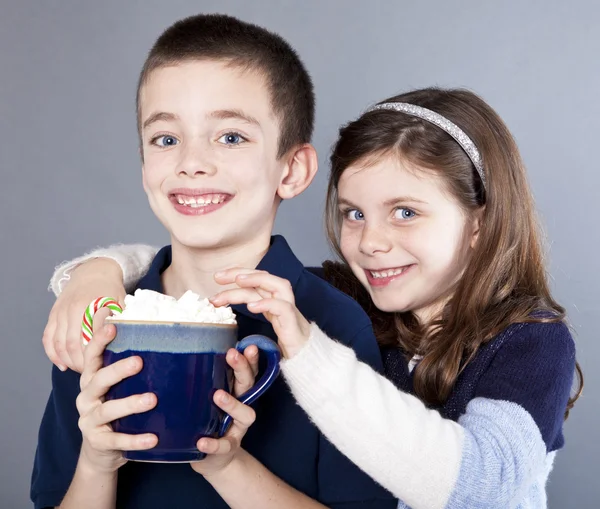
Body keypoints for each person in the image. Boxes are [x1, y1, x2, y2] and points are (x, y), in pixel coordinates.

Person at [45, 87, 583, 508]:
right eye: (354, 213)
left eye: (406, 212)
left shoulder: (530, 341)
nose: (371, 242)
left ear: (478, 224)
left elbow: (479, 488)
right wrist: (96, 272)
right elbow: (208, 267)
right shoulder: (351, 297)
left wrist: (308, 352)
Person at [31, 13, 397, 509]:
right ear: (143, 164)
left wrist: (225, 462)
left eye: (230, 137)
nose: (191, 162)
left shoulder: (333, 326)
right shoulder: (96, 315)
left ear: (291, 170)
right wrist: (97, 462)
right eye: (166, 139)